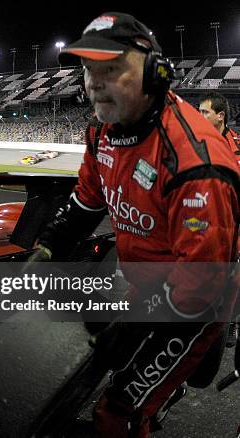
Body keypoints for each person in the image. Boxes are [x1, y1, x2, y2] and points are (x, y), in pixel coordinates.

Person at [30, 12, 239, 437]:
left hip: (196, 300)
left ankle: (149, 399)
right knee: (37, 306)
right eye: (89, 70)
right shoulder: (101, 134)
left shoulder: (196, 161)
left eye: (110, 68)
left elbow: (202, 281)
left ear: (154, 72)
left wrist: (129, 329)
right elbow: (85, 203)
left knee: (116, 412)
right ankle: (156, 390)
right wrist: (46, 249)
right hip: (145, 280)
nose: (94, 83)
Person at [199, 92, 240, 348]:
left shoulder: (236, 145)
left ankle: (232, 322)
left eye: (205, 112)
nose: (199, 116)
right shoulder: (194, 142)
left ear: (220, 116)